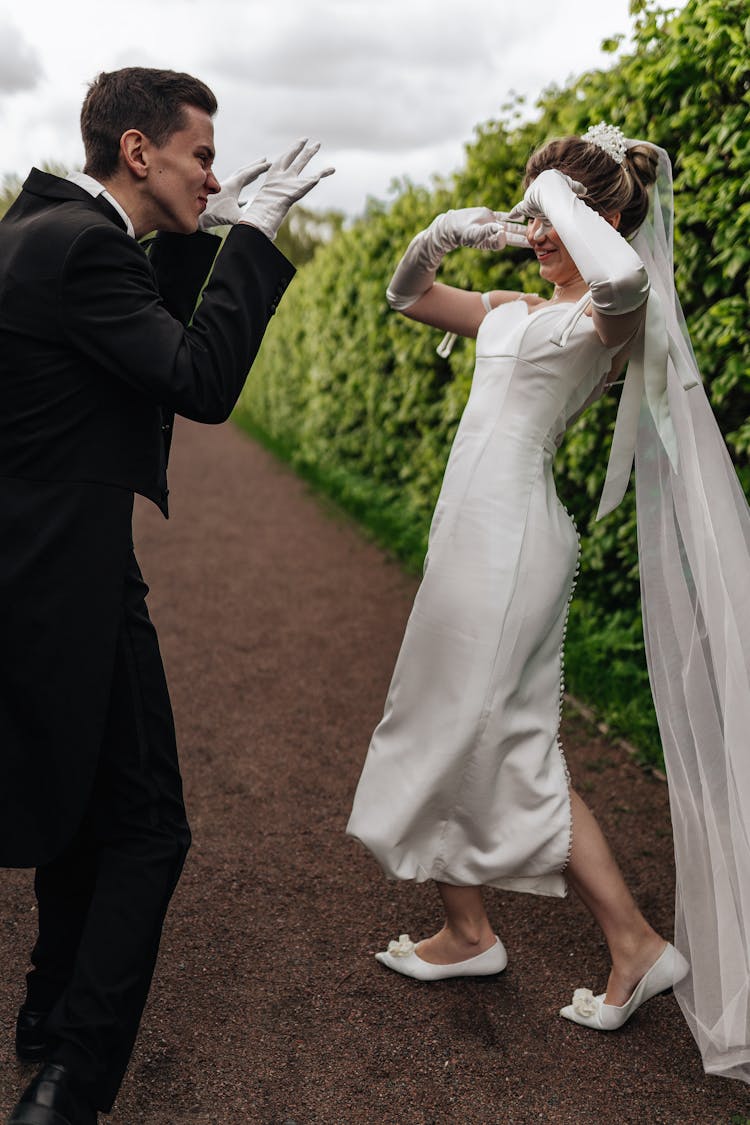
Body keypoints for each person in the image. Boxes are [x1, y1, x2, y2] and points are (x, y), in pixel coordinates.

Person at [348, 124, 750, 1083]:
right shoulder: (509, 307)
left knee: (465, 730)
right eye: (531, 215)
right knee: (489, 734)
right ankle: (562, 936)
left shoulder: (601, 319)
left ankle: (498, 930)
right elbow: (405, 295)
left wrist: (571, 199)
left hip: (512, 542)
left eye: (553, 215)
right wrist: (440, 235)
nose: (536, 230)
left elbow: (621, 282)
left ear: (603, 218)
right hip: (467, 538)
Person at [0, 67, 332, 1124]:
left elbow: (143, 346)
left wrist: (198, 237)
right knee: (149, 828)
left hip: (45, 562)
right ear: (138, 152)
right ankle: (71, 1085)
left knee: (87, 806)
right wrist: (257, 241)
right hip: (65, 572)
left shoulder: (41, 233)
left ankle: (48, 1020)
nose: (217, 172)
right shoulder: (85, 247)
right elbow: (197, 381)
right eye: (200, 155)